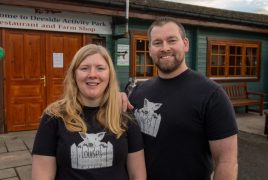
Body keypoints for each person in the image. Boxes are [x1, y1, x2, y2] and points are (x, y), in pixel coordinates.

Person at [128, 17, 238, 180]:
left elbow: (227, 162)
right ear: (150, 49)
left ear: (185, 44)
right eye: (157, 43)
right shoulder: (138, 93)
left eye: (171, 40)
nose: (165, 48)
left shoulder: (211, 94)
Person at [32, 44, 146, 180]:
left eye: (100, 68)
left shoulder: (124, 114)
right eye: (84, 68)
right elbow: (42, 175)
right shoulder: (54, 116)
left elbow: (137, 174)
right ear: (74, 75)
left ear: (109, 74)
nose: (92, 75)